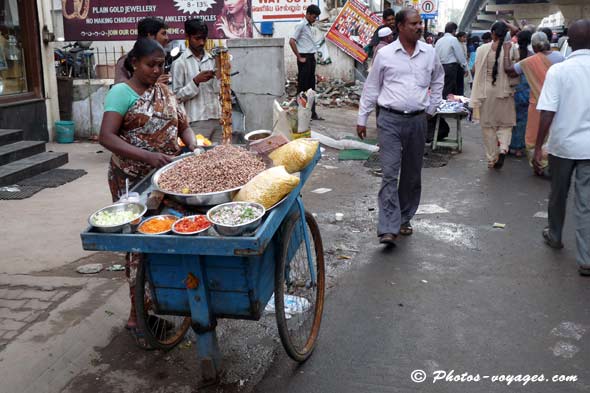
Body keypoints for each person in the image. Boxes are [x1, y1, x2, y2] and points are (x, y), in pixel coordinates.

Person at [99, 38, 197, 345]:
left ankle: (163, 302)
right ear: (134, 63)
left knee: (167, 236)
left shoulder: (165, 92)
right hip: (131, 183)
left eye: (161, 65)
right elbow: (106, 136)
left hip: (166, 179)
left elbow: (183, 126)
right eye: (150, 64)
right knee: (139, 248)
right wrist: (148, 157)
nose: (157, 70)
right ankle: (137, 315)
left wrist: (193, 146)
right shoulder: (121, 93)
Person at [357, 8, 444, 246]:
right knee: (389, 173)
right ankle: (387, 227)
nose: (419, 27)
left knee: (411, 175)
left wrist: (431, 108)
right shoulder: (385, 54)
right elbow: (372, 87)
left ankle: (405, 218)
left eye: (420, 24)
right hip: (389, 120)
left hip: (418, 121)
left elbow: (438, 80)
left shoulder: (429, 53)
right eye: (414, 24)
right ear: (401, 27)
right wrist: (362, 117)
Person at [533, 19, 590, 276]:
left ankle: (555, 235)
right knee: (586, 203)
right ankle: (586, 257)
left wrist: (537, 148)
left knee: (558, 195)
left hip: (563, 146)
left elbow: (546, 113)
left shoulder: (559, 71)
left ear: (569, 41)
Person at [503, 31, 564, 173]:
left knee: (533, 137)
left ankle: (539, 165)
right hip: (557, 104)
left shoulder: (529, 62)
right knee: (552, 135)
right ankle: (551, 164)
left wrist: (506, 52)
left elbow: (509, 70)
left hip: (537, 104)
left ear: (534, 47)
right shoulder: (561, 57)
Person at [470, 21, 516, 169]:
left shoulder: (482, 49)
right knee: (506, 124)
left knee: (488, 127)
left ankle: (491, 158)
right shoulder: (512, 48)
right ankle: (503, 148)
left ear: (493, 34)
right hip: (505, 92)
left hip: (486, 92)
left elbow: (474, 70)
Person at [171, 19, 223, 142]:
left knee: (221, 158)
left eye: (204, 39)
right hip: (195, 121)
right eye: (197, 38)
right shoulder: (180, 63)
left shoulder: (212, 59)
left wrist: (219, 73)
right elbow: (176, 97)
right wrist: (195, 82)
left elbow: (219, 90)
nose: (201, 42)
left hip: (217, 118)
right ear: (187, 37)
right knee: (200, 158)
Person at [290, 5, 322, 120]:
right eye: (314, 16)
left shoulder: (309, 26)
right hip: (304, 58)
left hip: (310, 58)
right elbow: (292, 41)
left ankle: (312, 113)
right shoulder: (301, 25)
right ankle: (300, 114)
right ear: (308, 14)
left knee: (311, 88)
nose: (315, 19)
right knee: (303, 87)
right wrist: (299, 57)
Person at [115, 17, 169, 84]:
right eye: (163, 34)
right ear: (150, 36)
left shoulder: (161, 58)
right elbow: (120, 90)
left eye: (160, 65)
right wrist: (153, 86)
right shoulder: (124, 61)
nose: (167, 38)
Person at [507, 30, 532, 158]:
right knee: (523, 121)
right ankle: (518, 148)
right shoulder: (532, 56)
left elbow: (508, 70)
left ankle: (506, 145)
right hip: (527, 92)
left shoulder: (512, 52)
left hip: (512, 90)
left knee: (508, 119)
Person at [435, 22, 468, 99]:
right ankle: (448, 107)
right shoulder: (453, 39)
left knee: (442, 87)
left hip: (440, 67)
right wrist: (465, 67)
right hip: (451, 67)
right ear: (453, 31)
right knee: (450, 89)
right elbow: (459, 54)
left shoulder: (439, 41)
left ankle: (441, 104)